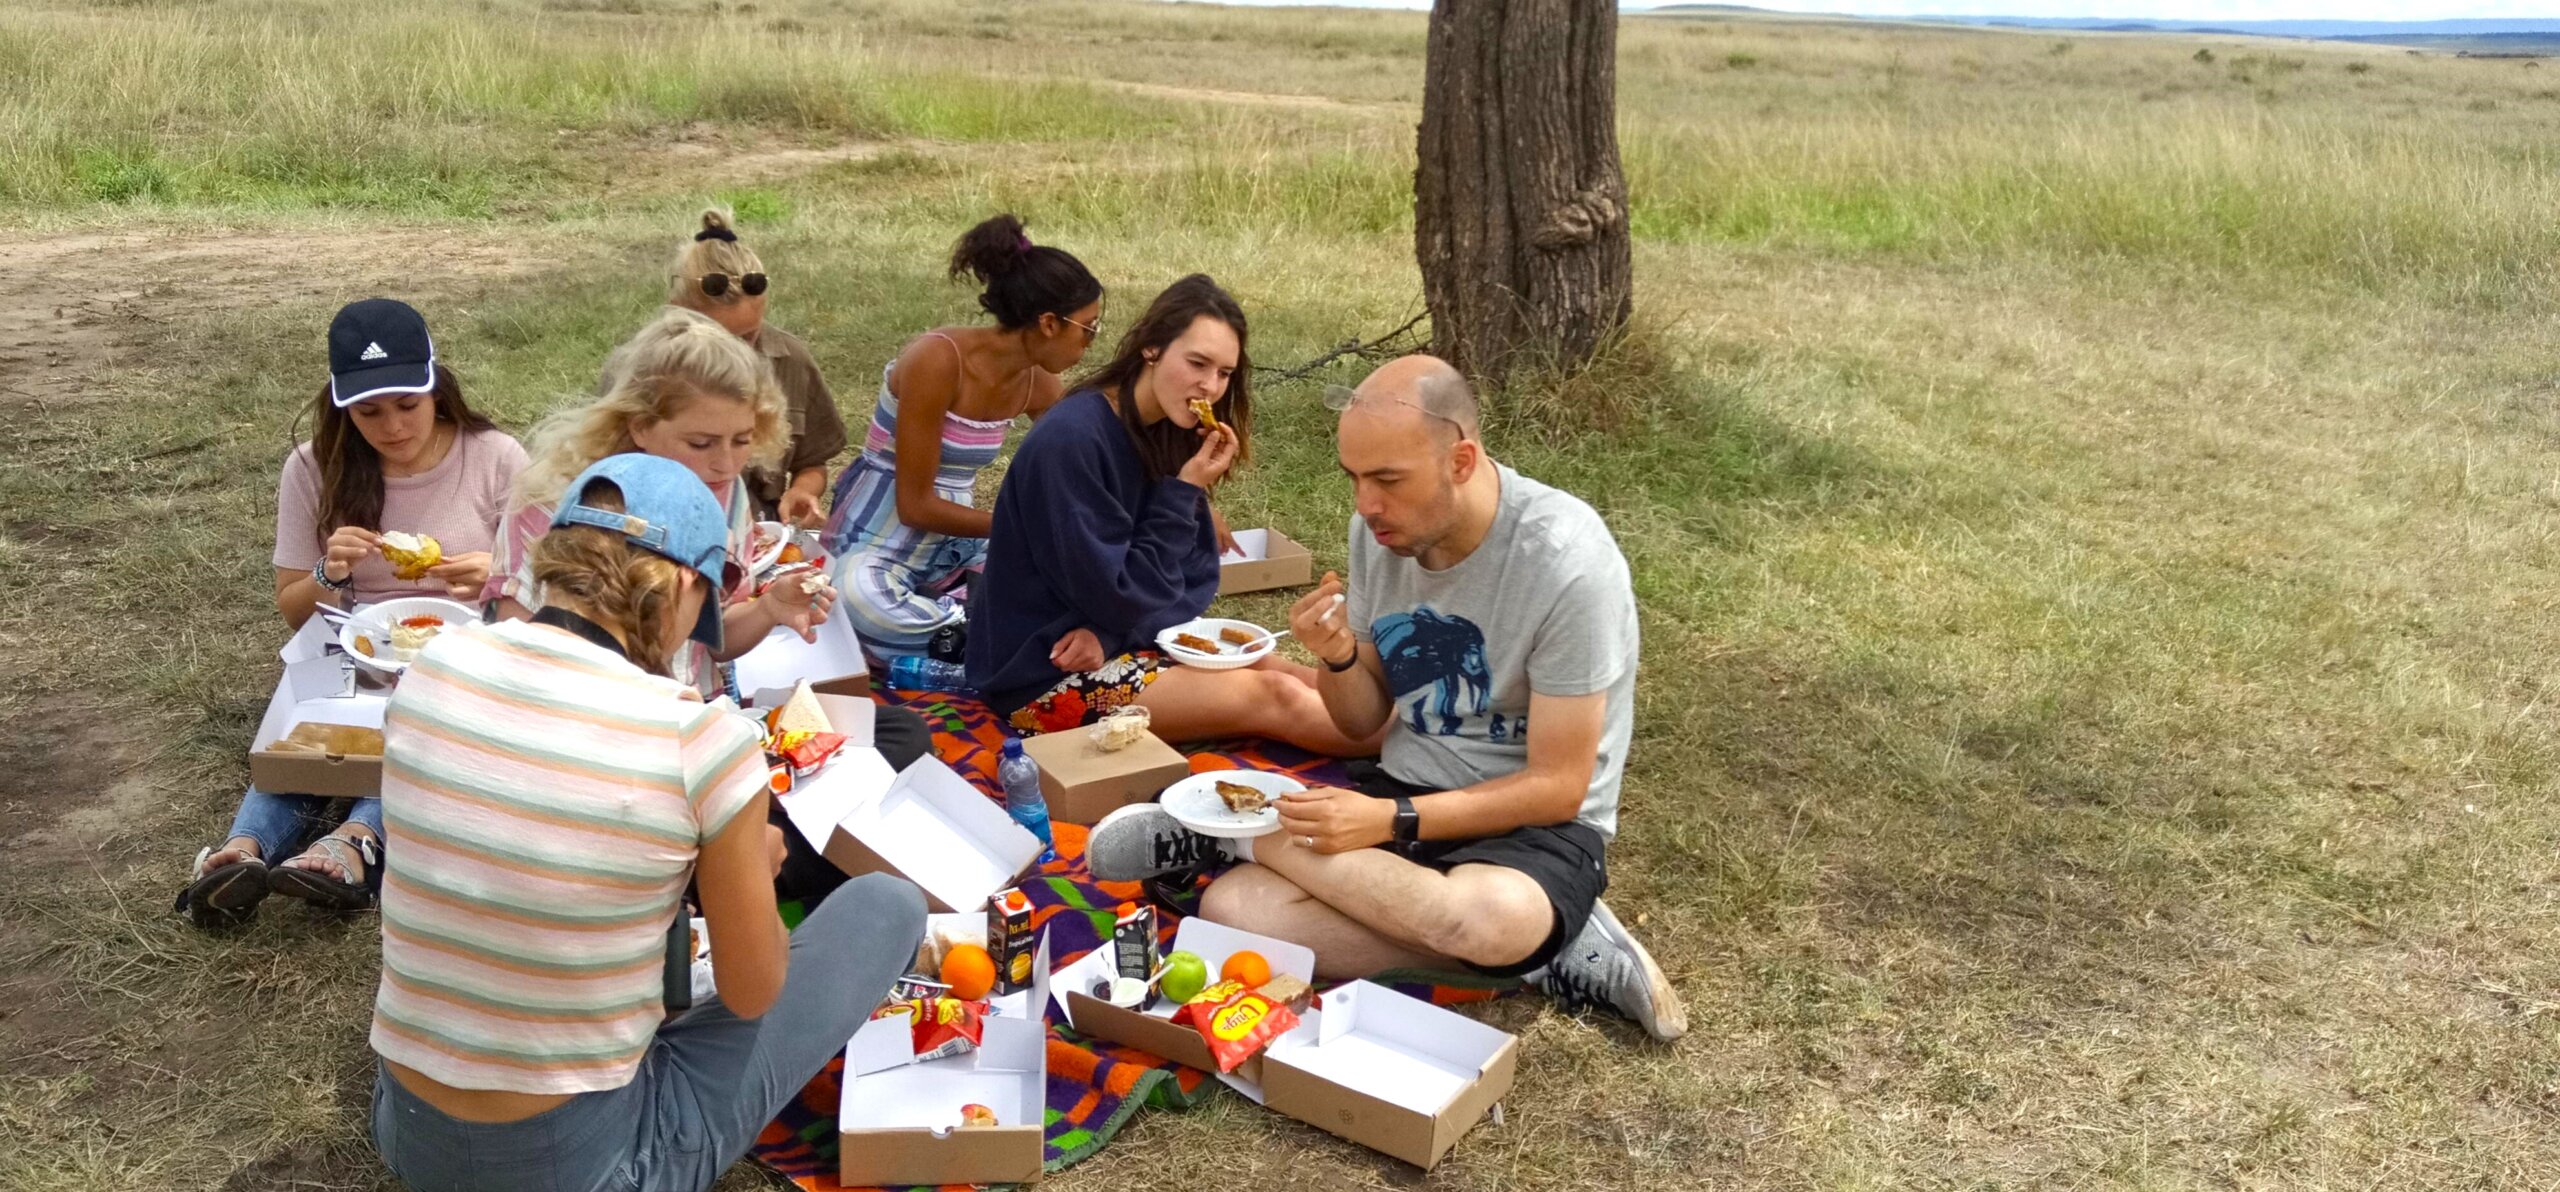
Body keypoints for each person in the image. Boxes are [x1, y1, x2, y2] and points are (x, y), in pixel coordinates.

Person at [1085, 356, 1688, 1042]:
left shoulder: (1567, 563)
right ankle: (1540, 956)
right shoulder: (1381, 534)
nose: (1365, 506)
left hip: (1528, 827)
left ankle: (1239, 834)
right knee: (1233, 912)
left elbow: (1557, 788)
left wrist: (1390, 820)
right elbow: (1363, 718)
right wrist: (1338, 654)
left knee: (1495, 917)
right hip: (1403, 794)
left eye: (1388, 481)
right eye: (1355, 479)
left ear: (1460, 460)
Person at [367, 453, 927, 1192]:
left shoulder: (438, 663)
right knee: (889, 905)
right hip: (591, 1168)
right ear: (686, 586)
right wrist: (750, 868)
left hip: (410, 1133)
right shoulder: (700, 739)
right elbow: (754, 990)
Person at [176, 298, 526, 929]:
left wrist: (497, 578)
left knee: (427, 726)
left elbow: (547, 598)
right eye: (369, 411)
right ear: (342, 404)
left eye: (407, 406)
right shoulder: (313, 468)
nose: (392, 427)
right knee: (305, 721)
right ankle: (242, 849)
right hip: (352, 643)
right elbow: (293, 610)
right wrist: (329, 573)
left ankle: (354, 841)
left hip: (470, 649)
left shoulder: (497, 457)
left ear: (436, 388)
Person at [965, 275, 1379, 756]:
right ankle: (1430, 758)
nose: (1210, 386)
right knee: (1275, 695)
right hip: (1042, 677)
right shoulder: (1073, 442)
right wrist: (1185, 491)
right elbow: (1119, 593)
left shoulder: (1164, 429)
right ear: (1151, 349)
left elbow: (1188, 580)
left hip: (1117, 639)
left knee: (1274, 667)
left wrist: (1108, 631)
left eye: (1224, 373)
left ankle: (1431, 729)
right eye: (1197, 363)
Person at [495, 305, 836, 700]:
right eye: (700, 443)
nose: (725, 465)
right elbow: (517, 652)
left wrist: (768, 609)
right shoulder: (554, 499)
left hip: (685, 714)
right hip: (578, 719)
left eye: (742, 440)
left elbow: (712, 640)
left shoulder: (725, 496)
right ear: (639, 425)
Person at [822, 214, 1102, 662]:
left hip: (957, 545)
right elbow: (916, 505)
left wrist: (1184, 497)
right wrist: (1020, 526)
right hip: (880, 537)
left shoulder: (1038, 383)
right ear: (1049, 323)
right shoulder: (937, 359)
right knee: (857, 600)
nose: (1091, 343)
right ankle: (994, 637)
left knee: (1059, 576)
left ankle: (970, 635)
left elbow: (1093, 459)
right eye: (1089, 328)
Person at [661, 208, 848, 527]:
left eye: (749, 335)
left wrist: (801, 491)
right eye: (718, 337)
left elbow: (813, 460)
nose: (738, 352)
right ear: (679, 311)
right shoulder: (649, 367)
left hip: (760, 534)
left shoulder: (789, 359)